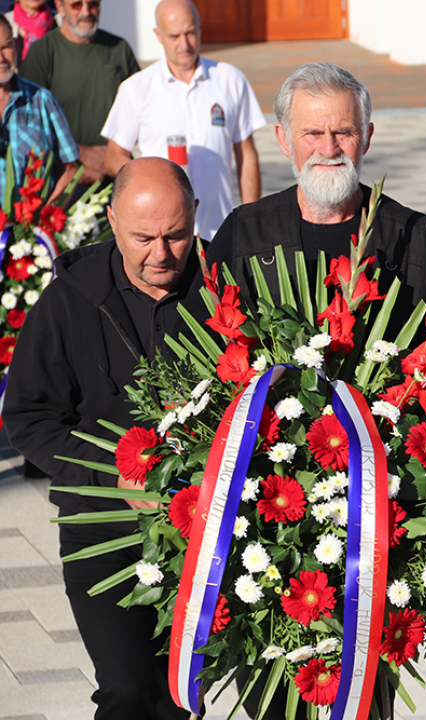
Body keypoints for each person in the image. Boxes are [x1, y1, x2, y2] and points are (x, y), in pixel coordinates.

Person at [3, 157, 202, 720]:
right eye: (142, 238)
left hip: (201, 533)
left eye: (176, 235)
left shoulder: (222, 287)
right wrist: (113, 474)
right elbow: (29, 416)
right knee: (126, 692)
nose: (160, 254)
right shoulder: (70, 298)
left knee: (177, 699)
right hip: (101, 528)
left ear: (195, 215)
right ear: (112, 221)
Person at [206, 61, 426, 376]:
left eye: (343, 132)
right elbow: (203, 344)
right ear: (284, 140)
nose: (329, 148)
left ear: (367, 137)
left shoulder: (411, 235)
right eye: (313, 133)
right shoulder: (245, 231)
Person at [102, 0, 264, 239]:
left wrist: (251, 220)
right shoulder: (136, 88)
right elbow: (114, 156)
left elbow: (246, 153)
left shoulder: (230, 79)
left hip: (219, 229)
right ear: (158, 35)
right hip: (163, 235)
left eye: (190, 33)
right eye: (174, 36)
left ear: (200, 26)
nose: (184, 44)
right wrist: (149, 181)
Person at [19, 0, 140, 185]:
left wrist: (114, 154)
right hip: (65, 180)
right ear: (60, 7)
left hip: (118, 178)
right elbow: (27, 123)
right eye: (77, 5)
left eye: (93, 4)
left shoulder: (119, 48)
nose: (86, 12)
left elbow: (142, 110)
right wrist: (79, 152)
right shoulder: (42, 52)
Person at [0, 13, 77, 195]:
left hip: (32, 213)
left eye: (6, 47)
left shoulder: (41, 100)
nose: (1, 58)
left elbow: (70, 170)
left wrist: (47, 212)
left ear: (16, 46)